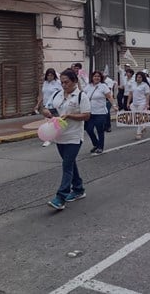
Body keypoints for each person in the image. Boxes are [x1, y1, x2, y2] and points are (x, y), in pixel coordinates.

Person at [40, 68, 90, 210]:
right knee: (70, 162)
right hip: (59, 136)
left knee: (67, 165)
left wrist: (69, 116)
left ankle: (61, 197)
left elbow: (86, 115)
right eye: (62, 82)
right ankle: (79, 189)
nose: (64, 85)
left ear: (74, 81)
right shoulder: (57, 94)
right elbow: (48, 108)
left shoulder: (81, 96)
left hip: (74, 137)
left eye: (66, 82)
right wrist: (46, 112)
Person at [84, 71, 117, 155]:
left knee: (100, 130)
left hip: (100, 112)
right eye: (95, 76)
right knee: (89, 129)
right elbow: (83, 97)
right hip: (90, 112)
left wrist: (114, 105)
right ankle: (96, 144)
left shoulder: (103, 86)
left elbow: (109, 96)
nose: (96, 78)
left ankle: (100, 147)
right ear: (92, 77)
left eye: (98, 76)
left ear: (101, 78)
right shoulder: (88, 86)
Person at [34, 68, 62, 147]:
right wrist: (38, 104)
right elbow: (42, 95)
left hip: (55, 105)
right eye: (48, 75)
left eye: (51, 75)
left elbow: (62, 93)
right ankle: (48, 138)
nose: (50, 77)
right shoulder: (45, 83)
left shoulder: (58, 83)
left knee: (56, 122)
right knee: (48, 122)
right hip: (46, 105)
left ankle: (57, 137)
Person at [127, 71, 150, 140]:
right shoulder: (133, 84)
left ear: (142, 78)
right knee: (135, 116)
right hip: (134, 103)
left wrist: (147, 104)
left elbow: (147, 95)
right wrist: (128, 103)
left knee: (139, 117)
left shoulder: (145, 85)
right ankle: (143, 126)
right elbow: (130, 94)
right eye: (137, 77)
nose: (138, 78)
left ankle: (138, 133)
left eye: (140, 77)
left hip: (142, 103)